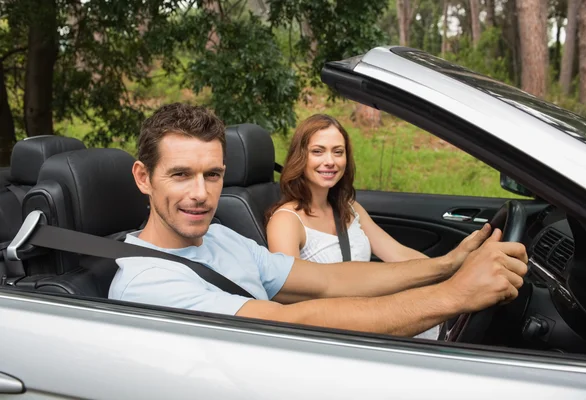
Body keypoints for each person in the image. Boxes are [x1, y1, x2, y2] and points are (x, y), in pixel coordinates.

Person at [108, 103, 528, 339]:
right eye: (181, 174)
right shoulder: (147, 282)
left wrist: (447, 266)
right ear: (144, 178)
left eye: (213, 174)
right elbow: (290, 322)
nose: (200, 193)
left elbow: (330, 282)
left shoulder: (219, 237)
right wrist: (455, 295)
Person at [266, 113, 427, 264]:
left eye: (338, 152)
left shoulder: (348, 208)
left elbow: (398, 254)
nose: (330, 161)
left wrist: (446, 267)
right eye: (318, 151)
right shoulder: (286, 221)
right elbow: (291, 290)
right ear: (300, 158)